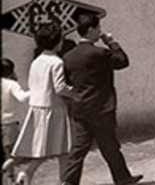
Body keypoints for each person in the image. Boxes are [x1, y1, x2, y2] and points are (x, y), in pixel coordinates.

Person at [61, 11, 142, 185]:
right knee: (110, 146)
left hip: (80, 108)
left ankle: (68, 182)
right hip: (102, 108)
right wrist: (111, 42)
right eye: (98, 29)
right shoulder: (99, 53)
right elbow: (123, 61)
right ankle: (122, 178)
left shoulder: (68, 56)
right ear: (90, 29)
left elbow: (68, 81)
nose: (100, 32)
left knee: (78, 149)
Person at [3, 23, 77, 185]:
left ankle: (23, 170)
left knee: (42, 148)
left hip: (37, 108)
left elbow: (33, 84)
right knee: (63, 149)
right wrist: (76, 91)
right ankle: (64, 181)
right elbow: (60, 88)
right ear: (58, 41)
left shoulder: (36, 62)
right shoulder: (56, 62)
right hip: (54, 110)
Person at [2, 59, 29, 167]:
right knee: (13, 154)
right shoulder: (12, 84)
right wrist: (35, 90)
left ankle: (10, 177)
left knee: (6, 152)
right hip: (9, 122)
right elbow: (22, 97)